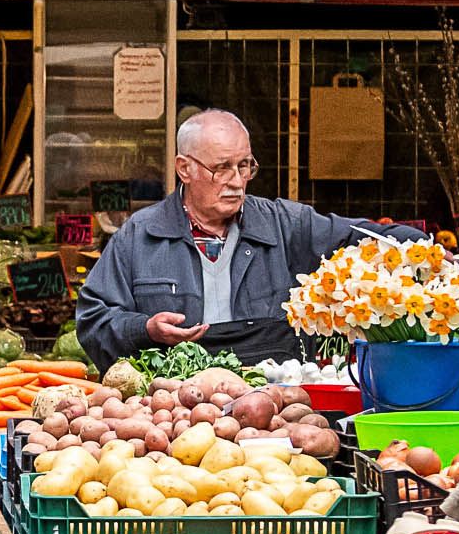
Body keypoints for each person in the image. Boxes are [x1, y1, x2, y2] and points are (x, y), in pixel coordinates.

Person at [77, 109, 409, 366]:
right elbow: (94, 321)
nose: (237, 181)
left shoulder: (286, 225)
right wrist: (144, 329)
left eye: (245, 165)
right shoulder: (140, 235)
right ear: (184, 169)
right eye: (222, 168)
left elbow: (366, 238)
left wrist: (419, 249)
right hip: (176, 408)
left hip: (275, 406)